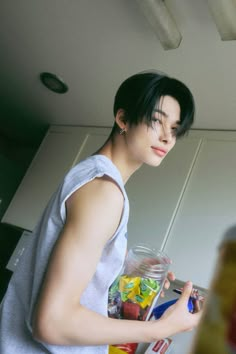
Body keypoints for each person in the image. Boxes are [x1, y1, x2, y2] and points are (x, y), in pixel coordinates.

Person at [0, 71, 202, 353]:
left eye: (175, 128)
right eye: (157, 120)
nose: (168, 137)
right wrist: (161, 329)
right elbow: (52, 323)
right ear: (122, 119)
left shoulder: (95, 177)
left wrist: (124, 277)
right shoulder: (104, 190)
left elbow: (77, 295)